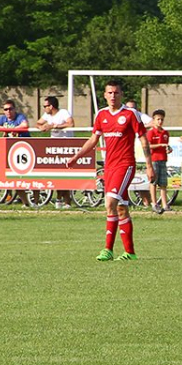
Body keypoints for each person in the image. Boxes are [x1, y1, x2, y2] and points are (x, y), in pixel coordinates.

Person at [66, 80, 155, 261]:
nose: (113, 96)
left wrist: (149, 165)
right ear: (105, 95)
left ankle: (108, 249)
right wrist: (76, 157)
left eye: (116, 92)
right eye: (110, 93)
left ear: (121, 94)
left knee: (110, 203)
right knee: (121, 208)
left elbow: (143, 139)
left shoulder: (131, 114)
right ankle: (130, 252)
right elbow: (93, 140)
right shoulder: (101, 115)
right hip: (110, 167)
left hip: (126, 165)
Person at [0, 100, 35, 206]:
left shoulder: (19, 117)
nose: (8, 111)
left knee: (33, 179)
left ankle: (35, 201)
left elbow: (24, 125)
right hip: (10, 152)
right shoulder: (2, 119)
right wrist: (4, 129)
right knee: (14, 179)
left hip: (25, 151)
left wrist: (14, 129)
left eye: (10, 109)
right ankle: (25, 203)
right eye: (5, 109)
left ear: (14, 109)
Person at [36, 96, 75, 208]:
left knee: (65, 175)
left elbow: (71, 124)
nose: (44, 108)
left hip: (66, 147)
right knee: (57, 175)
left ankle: (67, 201)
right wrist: (42, 127)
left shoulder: (63, 112)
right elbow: (38, 123)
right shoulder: (47, 115)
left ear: (51, 106)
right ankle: (59, 199)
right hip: (54, 149)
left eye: (45, 106)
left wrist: (57, 126)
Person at [125, 100, 152, 207]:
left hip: (139, 151)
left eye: (132, 108)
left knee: (141, 178)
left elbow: (152, 122)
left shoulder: (140, 116)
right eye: (128, 108)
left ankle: (147, 203)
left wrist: (139, 128)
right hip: (127, 151)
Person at [147, 109, 172, 214]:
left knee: (163, 183)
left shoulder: (165, 133)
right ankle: (154, 203)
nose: (160, 121)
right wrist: (160, 145)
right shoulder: (151, 132)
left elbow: (166, 145)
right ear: (154, 120)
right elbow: (148, 146)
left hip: (163, 159)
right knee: (154, 182)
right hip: (154, 159)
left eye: (162, 119)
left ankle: (165, 204)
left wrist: (168, 149)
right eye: (158, 119)